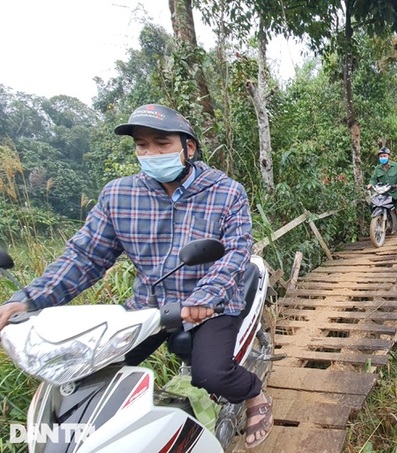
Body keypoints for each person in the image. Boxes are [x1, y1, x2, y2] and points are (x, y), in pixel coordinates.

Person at [0, 104, 273, 449]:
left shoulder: (226, 191)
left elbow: (235, 250)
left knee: (211, 373)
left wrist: (205, 296)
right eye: (142, 146)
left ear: (188, 147)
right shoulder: (119, 195)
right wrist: (28, 299)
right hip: (150, 306)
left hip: (212, 305)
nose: (151, 153)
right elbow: (84, 257)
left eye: (162, 144)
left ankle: (253, 395)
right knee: (87, 371)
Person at [366, 147, 397, 226]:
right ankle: (378, 220)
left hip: (395, 191)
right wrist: (370, 184)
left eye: (384, 156)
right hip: (382, 192)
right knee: (372, 204)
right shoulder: (377, 168)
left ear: (388, 156)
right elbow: (374, 179)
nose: (382, 158)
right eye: (381, 156)